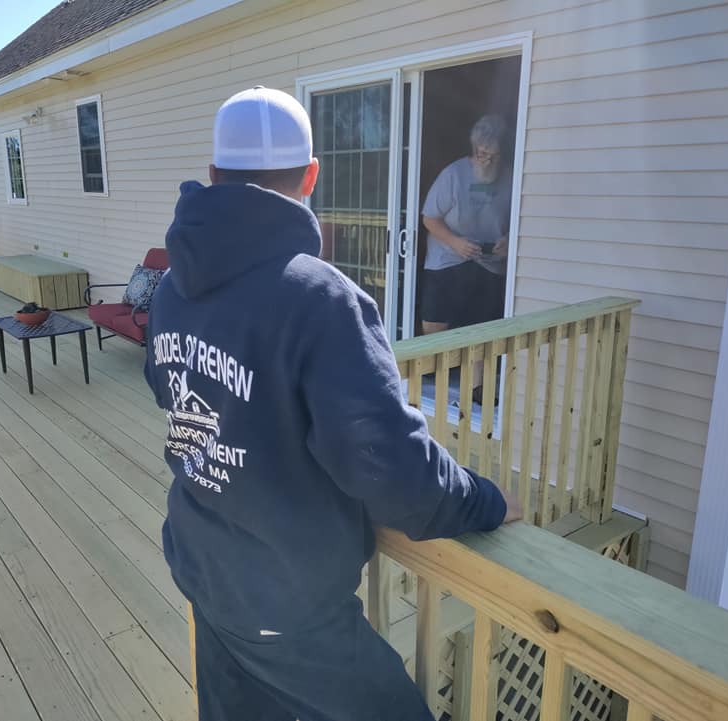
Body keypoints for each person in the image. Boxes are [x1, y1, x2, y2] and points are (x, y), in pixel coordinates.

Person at [144, 87, 521, 721]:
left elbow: (174, 395)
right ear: (312, 176)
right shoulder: (321, 299)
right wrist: (484, 501)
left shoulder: (173, 291)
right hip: (287, 606)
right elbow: (389, 468)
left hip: (204, 569)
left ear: (213, 176)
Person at [421, 114, 512, 337]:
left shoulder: (511, 177)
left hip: (489, 265)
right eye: (483, 155)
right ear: (474, 149)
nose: (488, 161)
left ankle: (476, 374)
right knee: (435, 329)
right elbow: (429, 218)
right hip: (447, 262)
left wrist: (509, 239)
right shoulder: (453, 175)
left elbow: (521, 219)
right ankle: (433, 373)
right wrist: (456, 242)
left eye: (495, 157)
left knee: (480, 336)